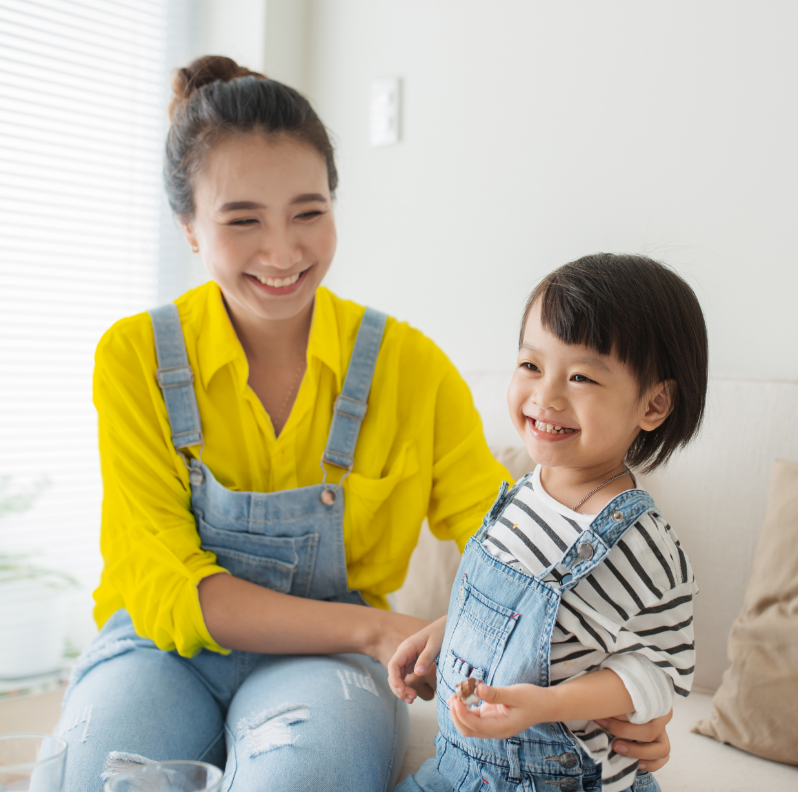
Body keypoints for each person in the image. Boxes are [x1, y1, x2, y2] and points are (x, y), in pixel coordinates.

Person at [55, 57, 674, 791]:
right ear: (189, 226)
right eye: (242, 218)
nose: (283, 251)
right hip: (160, 648)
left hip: (330, 671)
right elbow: (169, 587)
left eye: (308, 212)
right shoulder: (136, 358)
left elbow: (511, 543)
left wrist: (621, 690)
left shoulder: (407, 367)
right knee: (94, 776)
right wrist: (377, 628)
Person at [389, 254, 707, 792]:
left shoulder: (642, 546)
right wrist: (445, 635)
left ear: (653, 404)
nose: (546, 396)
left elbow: (659, 675)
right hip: (458, 769)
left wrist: (546, 705)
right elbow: (521, 620)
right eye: (532, 366)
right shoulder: (523, 494)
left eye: (580, 376)